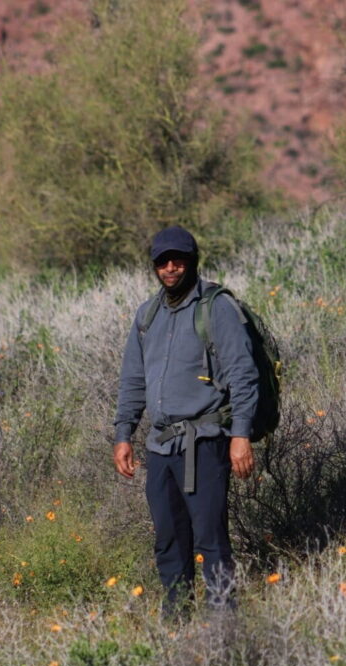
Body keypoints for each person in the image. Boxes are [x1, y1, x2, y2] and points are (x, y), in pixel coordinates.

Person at [113, 225, 258, 618]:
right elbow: (133, 379)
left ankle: (223, 624)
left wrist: (240, 435)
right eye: (163, 261)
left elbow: (244, 376)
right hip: (160, 447)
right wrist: (123, 433)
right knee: (168, 539)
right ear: (154, 266)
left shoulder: (217, 308)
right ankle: (176, 618)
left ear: (193, 261)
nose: (171, 267)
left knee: (210, 539)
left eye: (178, 259)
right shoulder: (148, 314)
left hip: (206, 443)